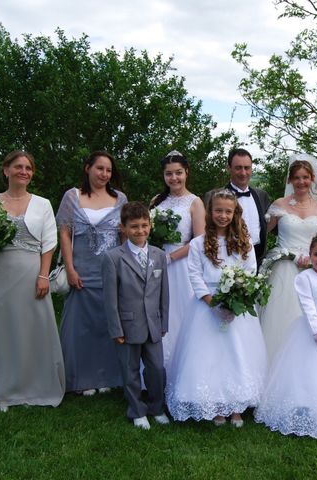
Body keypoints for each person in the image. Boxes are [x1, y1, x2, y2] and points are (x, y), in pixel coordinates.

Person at [0, 151, 65, 411]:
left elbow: (49, 244)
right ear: (6, 170)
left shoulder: (42, 204)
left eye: (28, 168)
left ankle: (31, 386)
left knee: (30, 332)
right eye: (18, 166)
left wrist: (44, 275)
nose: (24, 171)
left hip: (31, 275)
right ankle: (1, 391)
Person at [166, 189, 267, 428]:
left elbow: (250, 270)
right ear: (210, 212)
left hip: (237, 306)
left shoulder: (243, 242)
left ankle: (235, 405)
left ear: (235, 214)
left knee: (236, 355)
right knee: (211, 356)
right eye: (218, 210)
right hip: (206, 306)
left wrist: (237, 299)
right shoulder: (199, 243)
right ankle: (215, 404)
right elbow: (194, 274)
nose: (223, 215)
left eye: (228, 211)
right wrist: (212, 302)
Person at [255, 233, 317, 438]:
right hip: (310, 330)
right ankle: (303, 404)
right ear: (310, 255)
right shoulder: (304, 278)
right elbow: (307, 304)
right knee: (309, 367)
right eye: (316, 254)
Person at [56, 151, 127, 395]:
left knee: (108, 323)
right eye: (99, 168)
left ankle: (107, 376)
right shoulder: (72, 196)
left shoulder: (120, 199)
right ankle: (82, 378)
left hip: (110, 269)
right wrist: (70, 268)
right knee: (81, 326)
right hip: (81, 270)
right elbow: (64, 233)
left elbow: (125, 235)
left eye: (108, 170)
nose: (104, 174)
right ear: (88, 168)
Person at [101, 202, 170, 430]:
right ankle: (137, 410)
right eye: (134, 227)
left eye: (144, 225)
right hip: (127, 325)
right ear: (123, 228)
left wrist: (163, 322)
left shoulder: (159, 256)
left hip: (153, 324)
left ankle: (156, 407)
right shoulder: (113, 258)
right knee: (130, 371)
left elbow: (164, 293)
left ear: (150, 225)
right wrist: (116, 329)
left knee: (156, 369)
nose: (140, 231)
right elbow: (110, 298)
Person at [259, 156, 317, 361]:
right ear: (290, 180)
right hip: (283, 267)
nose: (301, 182)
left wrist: (314, 258)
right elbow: (262, 233)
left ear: (312, 179)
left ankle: (308, 362)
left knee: (310, 316)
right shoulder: (280, 204)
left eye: (305, 177)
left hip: (311, 267)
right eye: (297, 178)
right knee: (281, 317)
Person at [149, 151, 205, 369]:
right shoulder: (156, 201)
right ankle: (156, 367)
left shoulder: (195, 202)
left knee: (180, 313)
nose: (174, 178)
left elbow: (199, 240)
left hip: (181, 264)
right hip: (156, 262)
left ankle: (183, 367)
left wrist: (171, 257)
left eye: (178, 173)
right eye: (169, 174)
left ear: (187, 173)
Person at [205, 148, 270, 264]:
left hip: (259, 258)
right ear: (228, 168)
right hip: (226, 258)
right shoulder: (213, 196)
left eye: (247, 168)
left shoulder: (261, 195)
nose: (243, 173)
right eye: (238, 168)